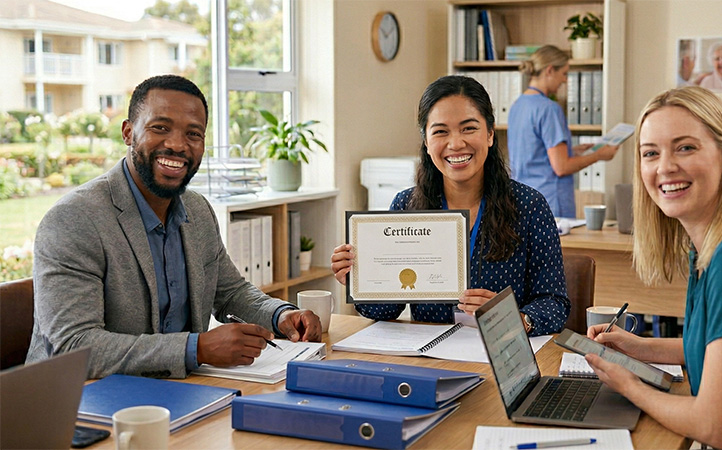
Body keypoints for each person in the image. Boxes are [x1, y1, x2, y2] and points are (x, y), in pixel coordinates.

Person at [26, 75, 322, 379]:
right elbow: (73, 346)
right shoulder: (73, 219)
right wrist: (196, 349)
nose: (178, 145)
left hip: (179, 390)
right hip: (80, 397)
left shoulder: (198, 209)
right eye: (160, 128)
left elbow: (230, 292)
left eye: (193, 133)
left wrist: (280, 315)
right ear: (128, 132)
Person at [584, 86, 722, 449]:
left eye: (685, 148)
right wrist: (640, 347)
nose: (665, 167)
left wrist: (630, 386)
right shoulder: (714, 246)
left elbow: (715, 426)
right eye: (650, 153)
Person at [330, 75, 570, 336]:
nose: (456, 144)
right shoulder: (406, 206)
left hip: (500, 351)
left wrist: (513, 318)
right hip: (429, 353)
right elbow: (386, 310)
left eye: (468, 129)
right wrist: (360, 279)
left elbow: (554, 303)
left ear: (490, 134)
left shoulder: (530, 206)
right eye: (440, 131)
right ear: (426, 141)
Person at [507, 45, 619, 218]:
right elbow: (561, 167)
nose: (565, 81)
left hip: (522, 201)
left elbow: (532, 154)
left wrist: (572, 151)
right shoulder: (549, 109)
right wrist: (599, 155)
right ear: (550, 70)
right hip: (549, 202)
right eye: (564, 74)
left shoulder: (517, 106)